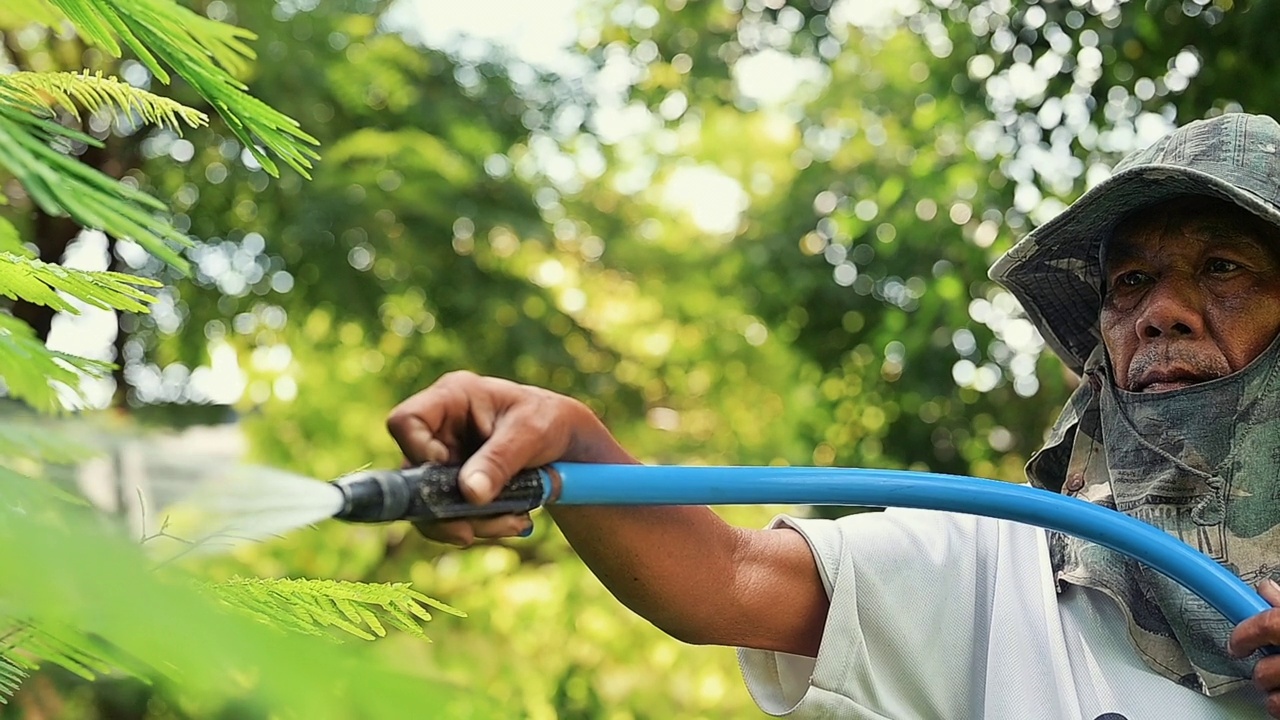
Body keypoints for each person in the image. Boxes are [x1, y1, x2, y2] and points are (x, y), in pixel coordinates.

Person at [386, 112, 1280, 719]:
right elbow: (726, 579)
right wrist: (571, 443)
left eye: (1225, 268)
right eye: (1131, 281)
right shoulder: (1005, 567)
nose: (1160, 311)